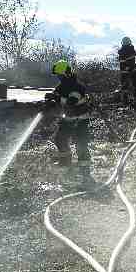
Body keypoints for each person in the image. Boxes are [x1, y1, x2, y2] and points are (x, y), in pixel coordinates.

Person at [43, 59, 94, 187]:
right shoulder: (61, 87)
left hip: (80, 120)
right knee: (60, 140)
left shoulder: (78, 87)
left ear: (66, 74)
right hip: (67, 119)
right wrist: (51, 99)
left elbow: (71, 101)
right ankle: (66, 163)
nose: (59, 78)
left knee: (81, 145)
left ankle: (85, 172)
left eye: (60, 76)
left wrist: (57, 98)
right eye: (58, 76)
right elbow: (57, 96)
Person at [117, 36, 136, 105]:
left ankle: (125, 100)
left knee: (125, 86)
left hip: (124, 72)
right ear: (129, 42)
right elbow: (134, 55)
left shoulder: (121, 51)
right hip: (131, 70)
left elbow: (135, 54)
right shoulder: (130, 49)